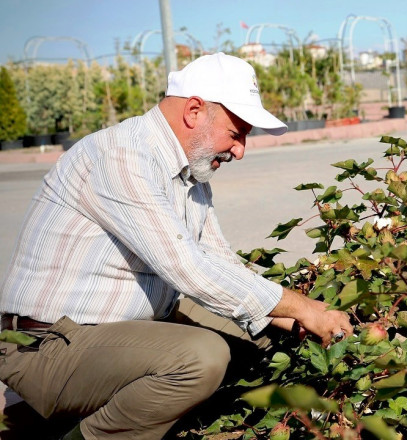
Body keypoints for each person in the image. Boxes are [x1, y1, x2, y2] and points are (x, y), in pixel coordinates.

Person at [0, 53, 353, 439]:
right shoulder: (122, 156)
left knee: (262, 333)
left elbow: (219, 260)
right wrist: (300, 305)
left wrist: (290, 317)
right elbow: (188, 268)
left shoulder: (189, 174)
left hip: (123, 330)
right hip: (48, 345)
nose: (240, 151)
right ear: (195, 111)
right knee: (200, 358)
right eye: (236, 134)